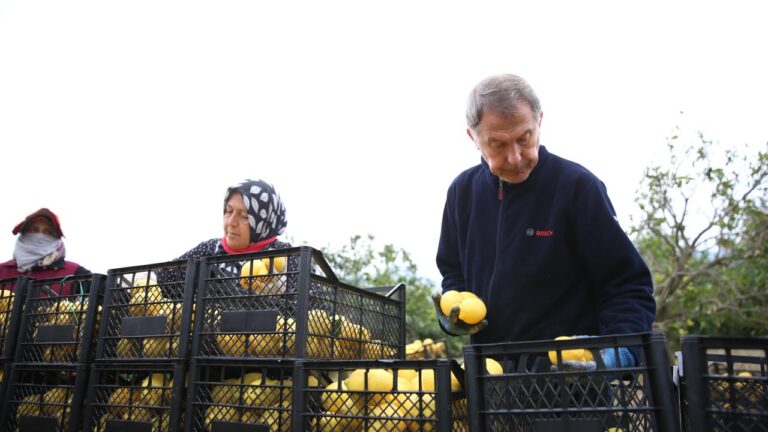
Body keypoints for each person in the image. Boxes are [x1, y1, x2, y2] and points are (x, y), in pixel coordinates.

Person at [433, 74, 655, 360]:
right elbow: (453, 272)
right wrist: (455, 313)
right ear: (473, 138)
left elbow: (627, 284)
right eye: (497, 144)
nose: (515, 157)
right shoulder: (462, 193)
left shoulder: (577, 187)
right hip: (490, 383)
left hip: (571, 386)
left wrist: (621, 350)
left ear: (539, 121)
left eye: (524, 138)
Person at [157, 179, 293, 286]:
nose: (231, 222)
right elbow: (163, 279)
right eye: (228, 211)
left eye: (244, 215)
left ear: (263, 222)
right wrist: (147, 280)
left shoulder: (285, 255)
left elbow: (310, 304)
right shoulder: (209, 250)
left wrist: (278, 293)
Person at [0, 208, 90, 294]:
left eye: (48, 232)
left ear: (57, 239)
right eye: (34, 230)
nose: (39, 236)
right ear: (23, 235)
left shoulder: (74, 273)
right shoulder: (2, 271)